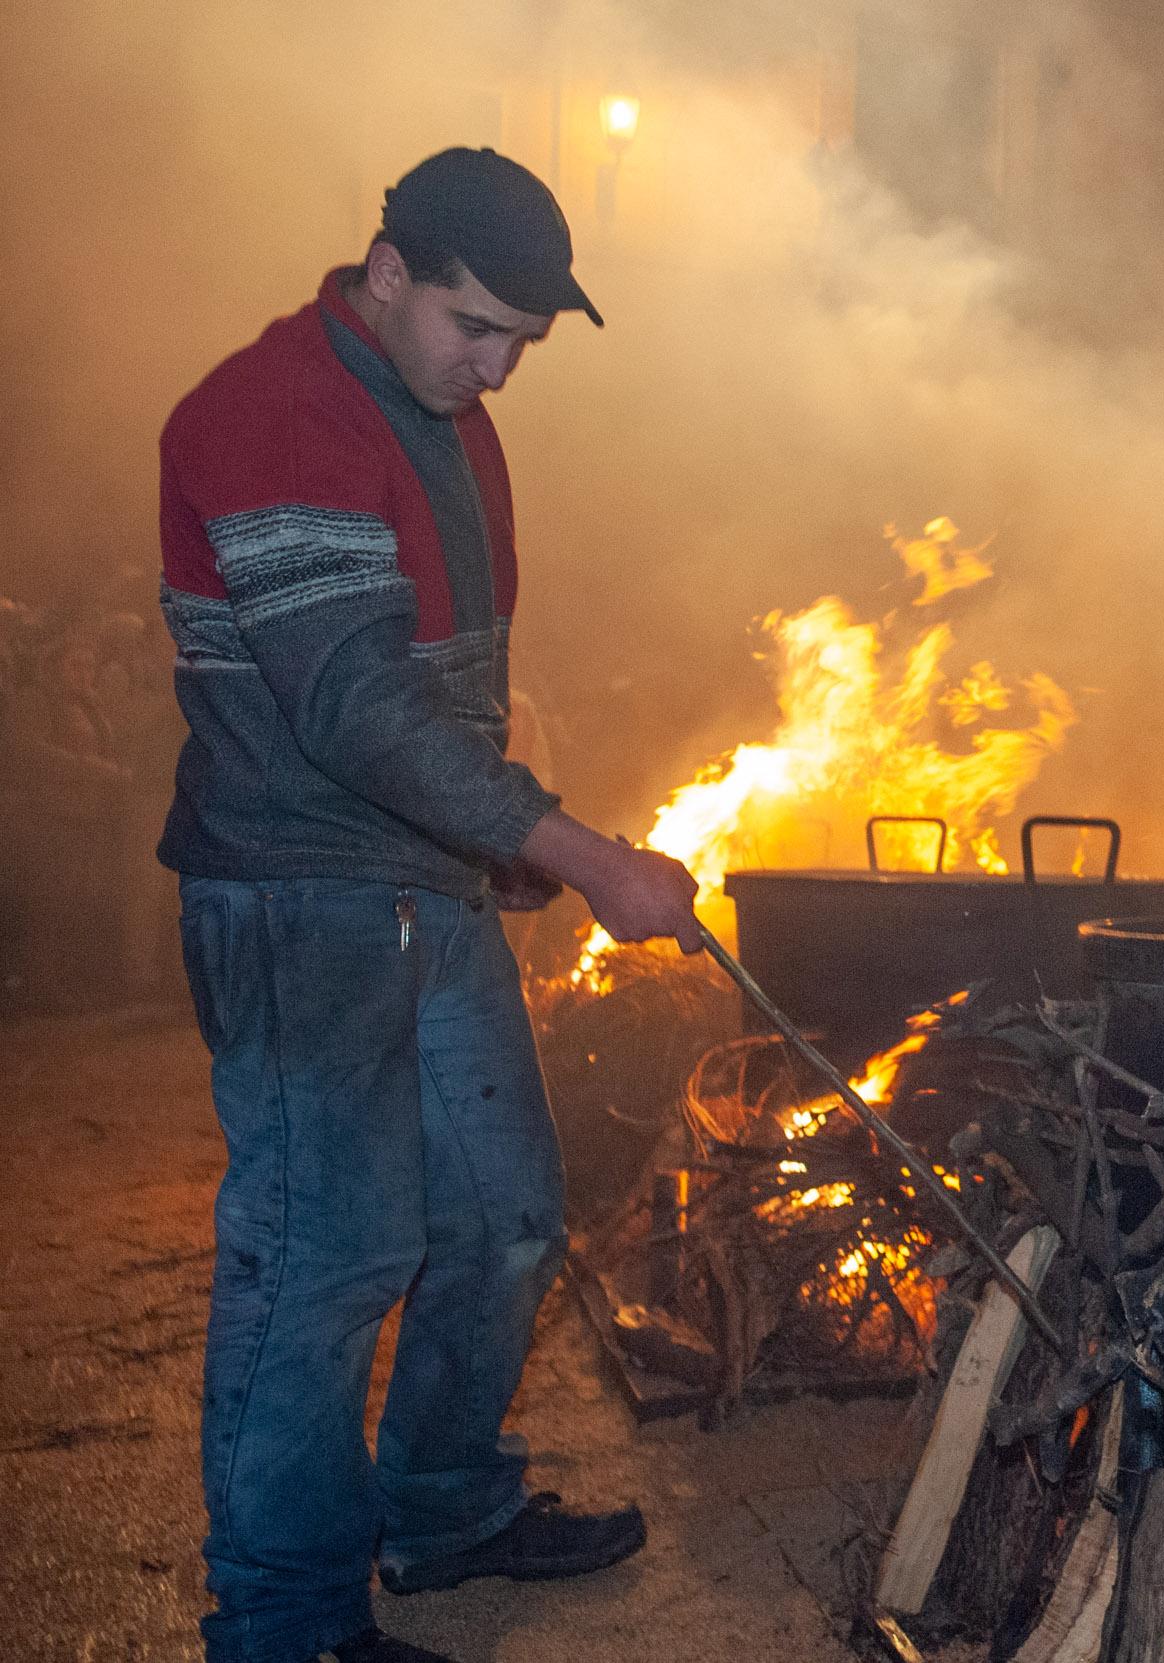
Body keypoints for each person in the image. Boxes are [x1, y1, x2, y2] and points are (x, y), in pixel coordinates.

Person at [158, 149, 705, 1663]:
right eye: (477, 325)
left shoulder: (444, 413)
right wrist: (582, 852)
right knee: (327, 1253)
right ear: (386, 271)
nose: (499, 367)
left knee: (508, 1216)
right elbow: (347, 704)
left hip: (426, 882)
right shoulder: (272, 412)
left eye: (523, 340)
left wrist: (504, 840)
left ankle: (446, 1506)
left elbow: (440, 699)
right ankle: (287, 1620)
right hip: (297, 893)